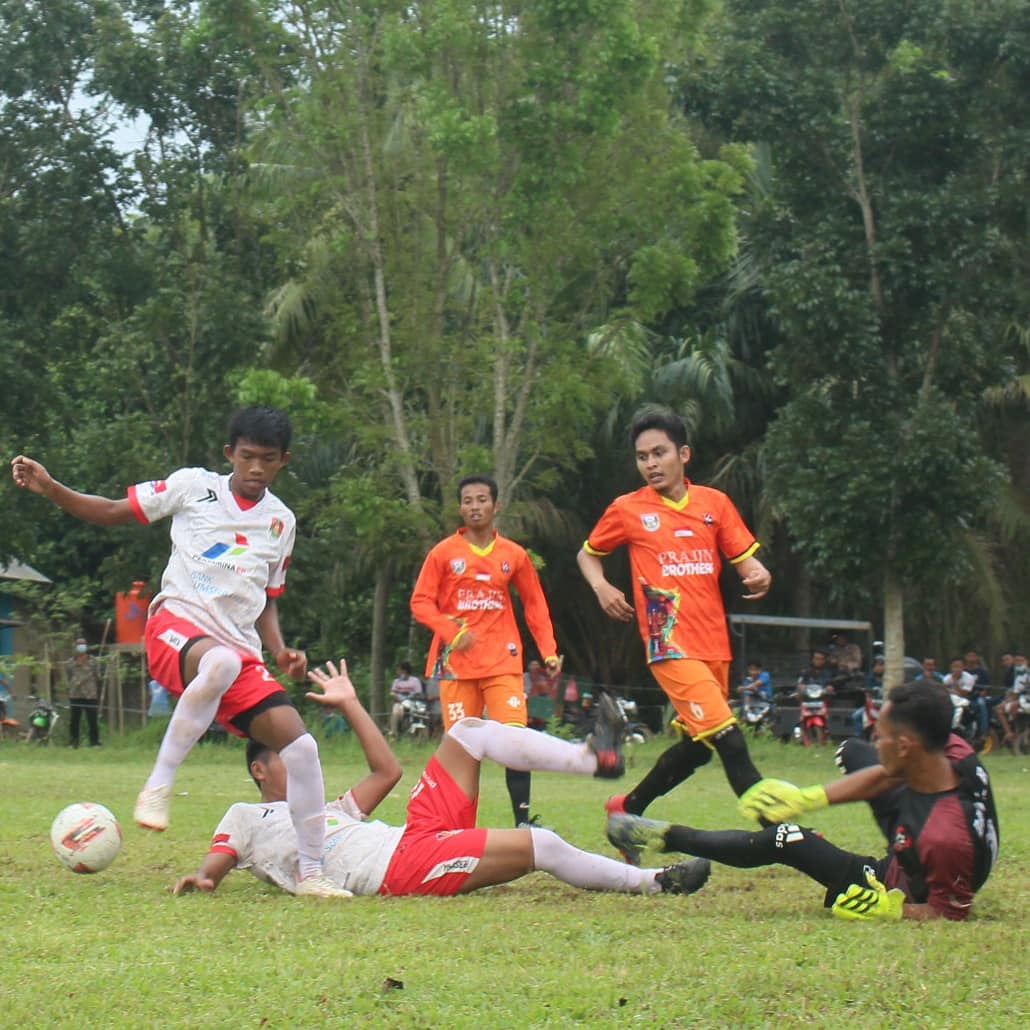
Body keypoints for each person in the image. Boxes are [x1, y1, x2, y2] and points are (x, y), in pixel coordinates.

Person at [12, 406, 346, 897]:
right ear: (229, 453)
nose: (255, 468)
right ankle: (159, 783)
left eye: (267, 459)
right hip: (177, 627)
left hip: (239, 648)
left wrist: (280, 650)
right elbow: (109, 512)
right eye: (247, 456)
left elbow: (269, 601)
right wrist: (52, 487)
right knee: (221, 661)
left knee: (302, 748)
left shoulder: (281, 521)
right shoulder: (193, 486)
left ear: (283, 462)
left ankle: (312, 872)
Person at [172, 659, 710, 900]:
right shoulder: (247, 817)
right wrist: (205, 879)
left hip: (410, 836)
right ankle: (656, 883)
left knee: (469, 731)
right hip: (394, 867)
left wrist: (353, 703)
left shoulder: (328, 809)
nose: (302, 756)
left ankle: (592, 758)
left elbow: (388, 771)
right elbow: (217, 861)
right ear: (258, 769)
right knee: (539, 844)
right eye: (288, 754)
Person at [608, 680, 999, 922]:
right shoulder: (953, 750)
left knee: (785, 838)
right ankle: (807, 827)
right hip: (916, 832)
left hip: (891, 882)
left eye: (882, 736)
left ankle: (656, 835)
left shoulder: (944, 837)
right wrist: (806, 799)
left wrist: (888, 909)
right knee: (853, 752)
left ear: (906, 746)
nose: (876, 740)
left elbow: (947, 914)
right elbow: (887, 772)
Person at [575, 408, 772, 842]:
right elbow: (587, 553)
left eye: (659, 453)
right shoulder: (627, 509)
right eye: (642, 456)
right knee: (730, 741)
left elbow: (747, 562)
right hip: (669, 645)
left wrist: (761, 574)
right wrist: (601, 587)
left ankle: (625, 811)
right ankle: (783, 832)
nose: (650, 463)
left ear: (683, 454)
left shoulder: (714, 504)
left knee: (697, 751)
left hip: (715, 646)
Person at [410, 474, 567, 827]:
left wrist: (549, 650)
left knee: (515, 741)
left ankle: (524, 822)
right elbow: (421, 603)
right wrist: (452, 632)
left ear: (496, 506)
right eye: (468, 500)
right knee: (464, 751)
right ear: (460, 508)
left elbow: (534, 604)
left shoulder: (513, 554)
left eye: (482, 500)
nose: (475, 506)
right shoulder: (443, 553)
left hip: (502, 661)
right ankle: (459, 830)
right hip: (456, 666)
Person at [63, 637, 103, 748]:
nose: (81, 646)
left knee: (92, 720)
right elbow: (68, 677)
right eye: (79, 644)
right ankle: (73, 742)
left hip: (90, 695)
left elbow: (99, 677)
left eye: (83, 644)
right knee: (74, 720)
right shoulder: (70, 662)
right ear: (76, 647)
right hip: (75, 694)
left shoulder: (94, 661)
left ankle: (94, 742)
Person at [388, 662, 424, 738]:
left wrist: (410, 698)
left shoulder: (415, 680)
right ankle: (394, 732)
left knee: (419, 711)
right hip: (400, 702)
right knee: (395, 711)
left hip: (412, 702)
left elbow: (418, 692)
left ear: (404, 671)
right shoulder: (396, 681)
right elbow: (393, 693)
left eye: (399, 670)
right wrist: (400, 700)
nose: (397, 672)